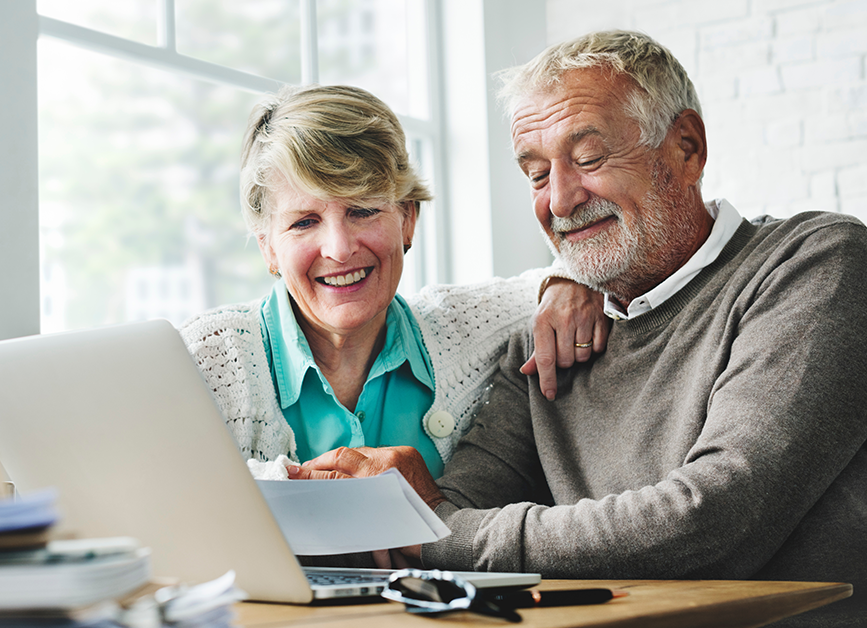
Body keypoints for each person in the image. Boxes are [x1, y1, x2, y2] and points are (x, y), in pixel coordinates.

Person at [291, 31, 867, 626]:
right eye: (537, 174)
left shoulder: (814, 265)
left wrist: (435, 531)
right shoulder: (543, 342)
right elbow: (454, 510)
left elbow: (712, 520)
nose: (560, 201)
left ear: (687, 149)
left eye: (589, 159)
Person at [179, 84, 606, 478]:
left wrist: (568, 283)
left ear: (407, 220)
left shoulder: (468, 330)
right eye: (304, 222)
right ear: (268, 248)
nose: (340, 249)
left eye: (362, 211)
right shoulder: (205, 359)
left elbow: (576, 272)